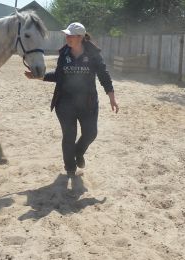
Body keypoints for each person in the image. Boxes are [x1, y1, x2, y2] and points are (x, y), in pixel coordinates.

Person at [25, 22, 119, 176]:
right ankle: (70, 168)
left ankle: (79, 152)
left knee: (91, 133)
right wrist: (38, 76)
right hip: (65, 102)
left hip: (88, 102)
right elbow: (57, 76)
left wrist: (112, 98)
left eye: (71, 35)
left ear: (80, 37)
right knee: (69, 136)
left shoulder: (93, 54)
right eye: (66, 35)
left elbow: (104, 75)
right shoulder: (64, 54)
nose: (67, 37)